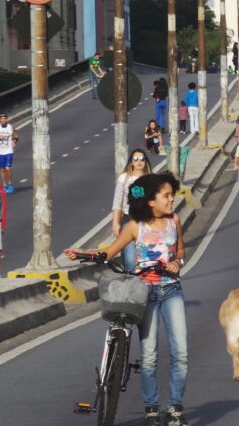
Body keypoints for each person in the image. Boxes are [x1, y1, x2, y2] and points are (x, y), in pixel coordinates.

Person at [66, 173, 189, 426]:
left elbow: (180, 250)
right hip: (145, 294)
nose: (171, 199)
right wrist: (82, 254)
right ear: (151, 201)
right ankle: (152, 410)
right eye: (166, 195)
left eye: (172, 194)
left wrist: (178, 261)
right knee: (150, 355)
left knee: (181, 353)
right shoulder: (134, 226)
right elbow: (110, 252)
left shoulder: (174, 220)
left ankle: (175, 408)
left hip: (172, 290)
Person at [112, 149, 153, 271]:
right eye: (136, 159)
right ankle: (130, 285)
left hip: (146, 222)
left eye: (142, 159)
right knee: (129, 260)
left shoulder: (151, 179)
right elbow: (117, 201)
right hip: (128, 220)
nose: (139, 162)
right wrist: (115, 223)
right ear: (131, 162)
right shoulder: (123, 178)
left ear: (146, 162)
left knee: (147, 259)